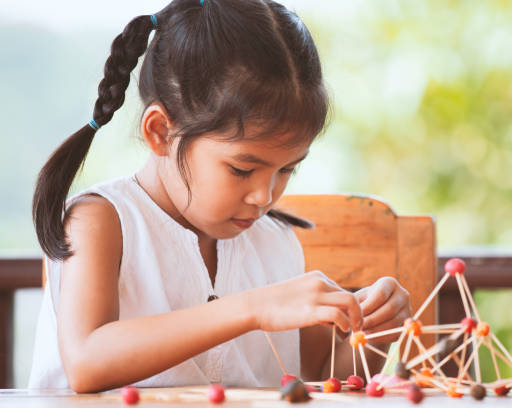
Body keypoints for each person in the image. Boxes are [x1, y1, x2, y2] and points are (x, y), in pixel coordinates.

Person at [29, 0, 412, 393]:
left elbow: (318, 370)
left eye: (287, 169)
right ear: (160, 131)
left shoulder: (274, 242)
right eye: (242, 169)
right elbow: (87, 362)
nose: (265, 196)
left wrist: (373, 331)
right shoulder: (102, 222)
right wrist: (253, 308)